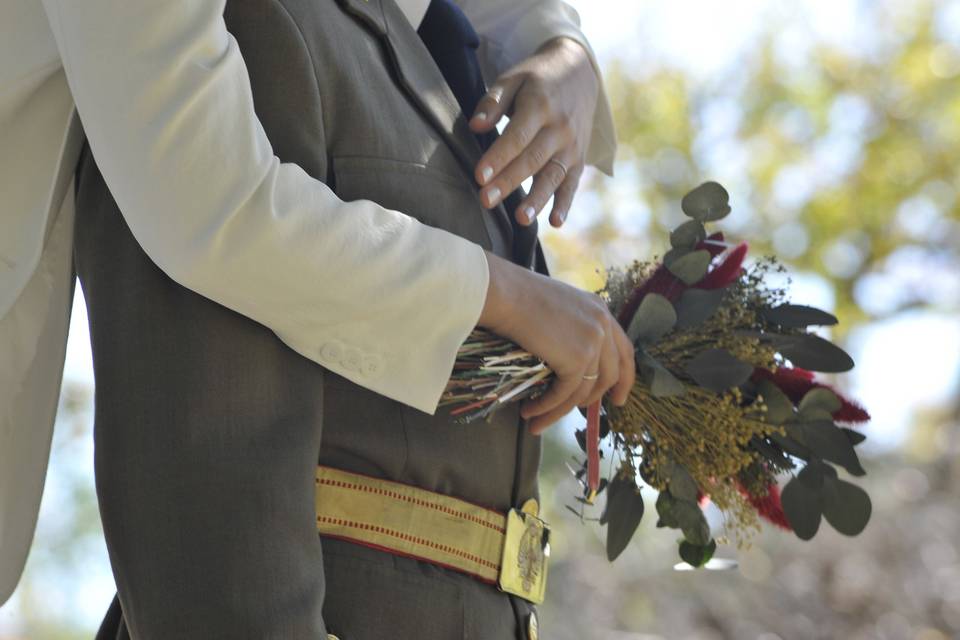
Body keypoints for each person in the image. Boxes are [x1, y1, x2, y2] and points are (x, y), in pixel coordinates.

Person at [0, 0, 635, 637]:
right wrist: (507, 298)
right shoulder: (257, 28)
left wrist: (563, 49)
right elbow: (210, 209)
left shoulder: (430, 47)